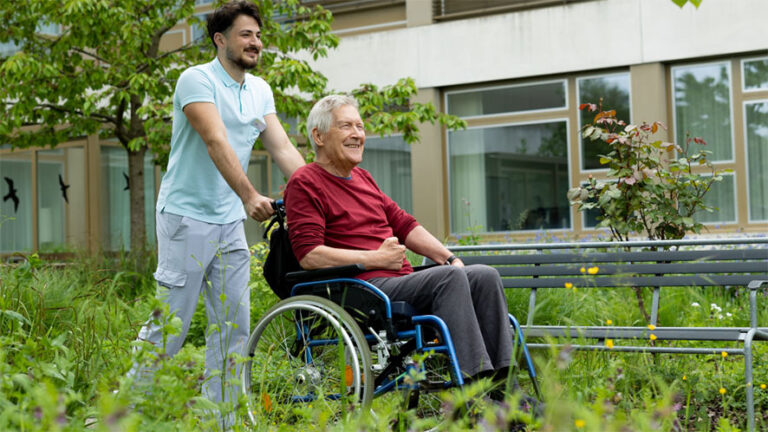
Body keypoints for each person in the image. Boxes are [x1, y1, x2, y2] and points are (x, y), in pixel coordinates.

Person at [127, 0, 304, 413]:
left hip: (228, 224)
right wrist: (249, 196)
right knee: (170, 325)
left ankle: (221, 417)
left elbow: (281, 147)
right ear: (220, 39)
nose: (255, 42)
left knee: (233, 325)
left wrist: (319, 193)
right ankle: (127, 413)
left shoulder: (260, 90)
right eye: (246, 35)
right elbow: (215, 141)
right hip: (185, 219)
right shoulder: (195, 80)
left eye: (258, 35)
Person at [284, 94, 514, 382]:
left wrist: (450, 258)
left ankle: (505, 390)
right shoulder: (305, 182)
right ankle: (473, 392)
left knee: (483, 276)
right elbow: (309, 255)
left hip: (396, 283)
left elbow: (404, 225)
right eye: (346, 126)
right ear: (318, 136)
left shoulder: (364, 178)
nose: (358, 134)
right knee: (448, 279)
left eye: (360, 126)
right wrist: (374, 259)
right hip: (360, 290)